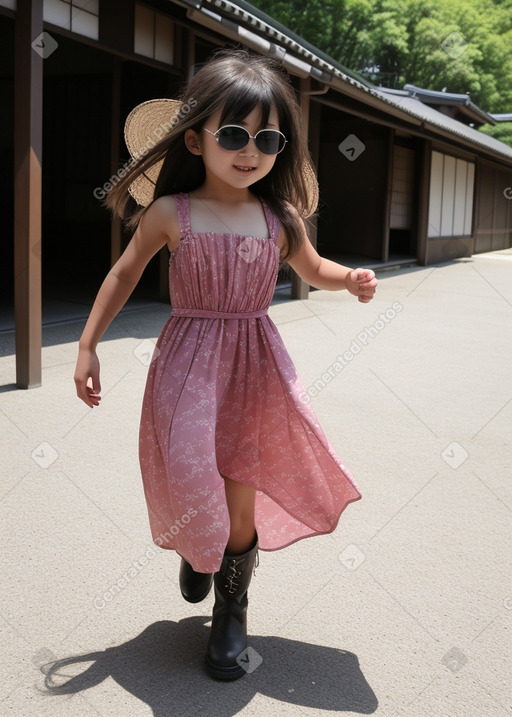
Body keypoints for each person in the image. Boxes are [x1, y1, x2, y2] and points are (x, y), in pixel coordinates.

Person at [74, 47, 378, 681]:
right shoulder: (169, 214)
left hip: (255, 367)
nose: (251, 150)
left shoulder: (279, 218)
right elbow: (124, 273)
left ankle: (231, 611)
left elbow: (314, 269)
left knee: (240, 484)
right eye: (235, 133)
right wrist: (86, 345)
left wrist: (348, 278)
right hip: (187, 367)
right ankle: (199, 549)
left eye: (268, 138)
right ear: (195, 139)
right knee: (191, 473)